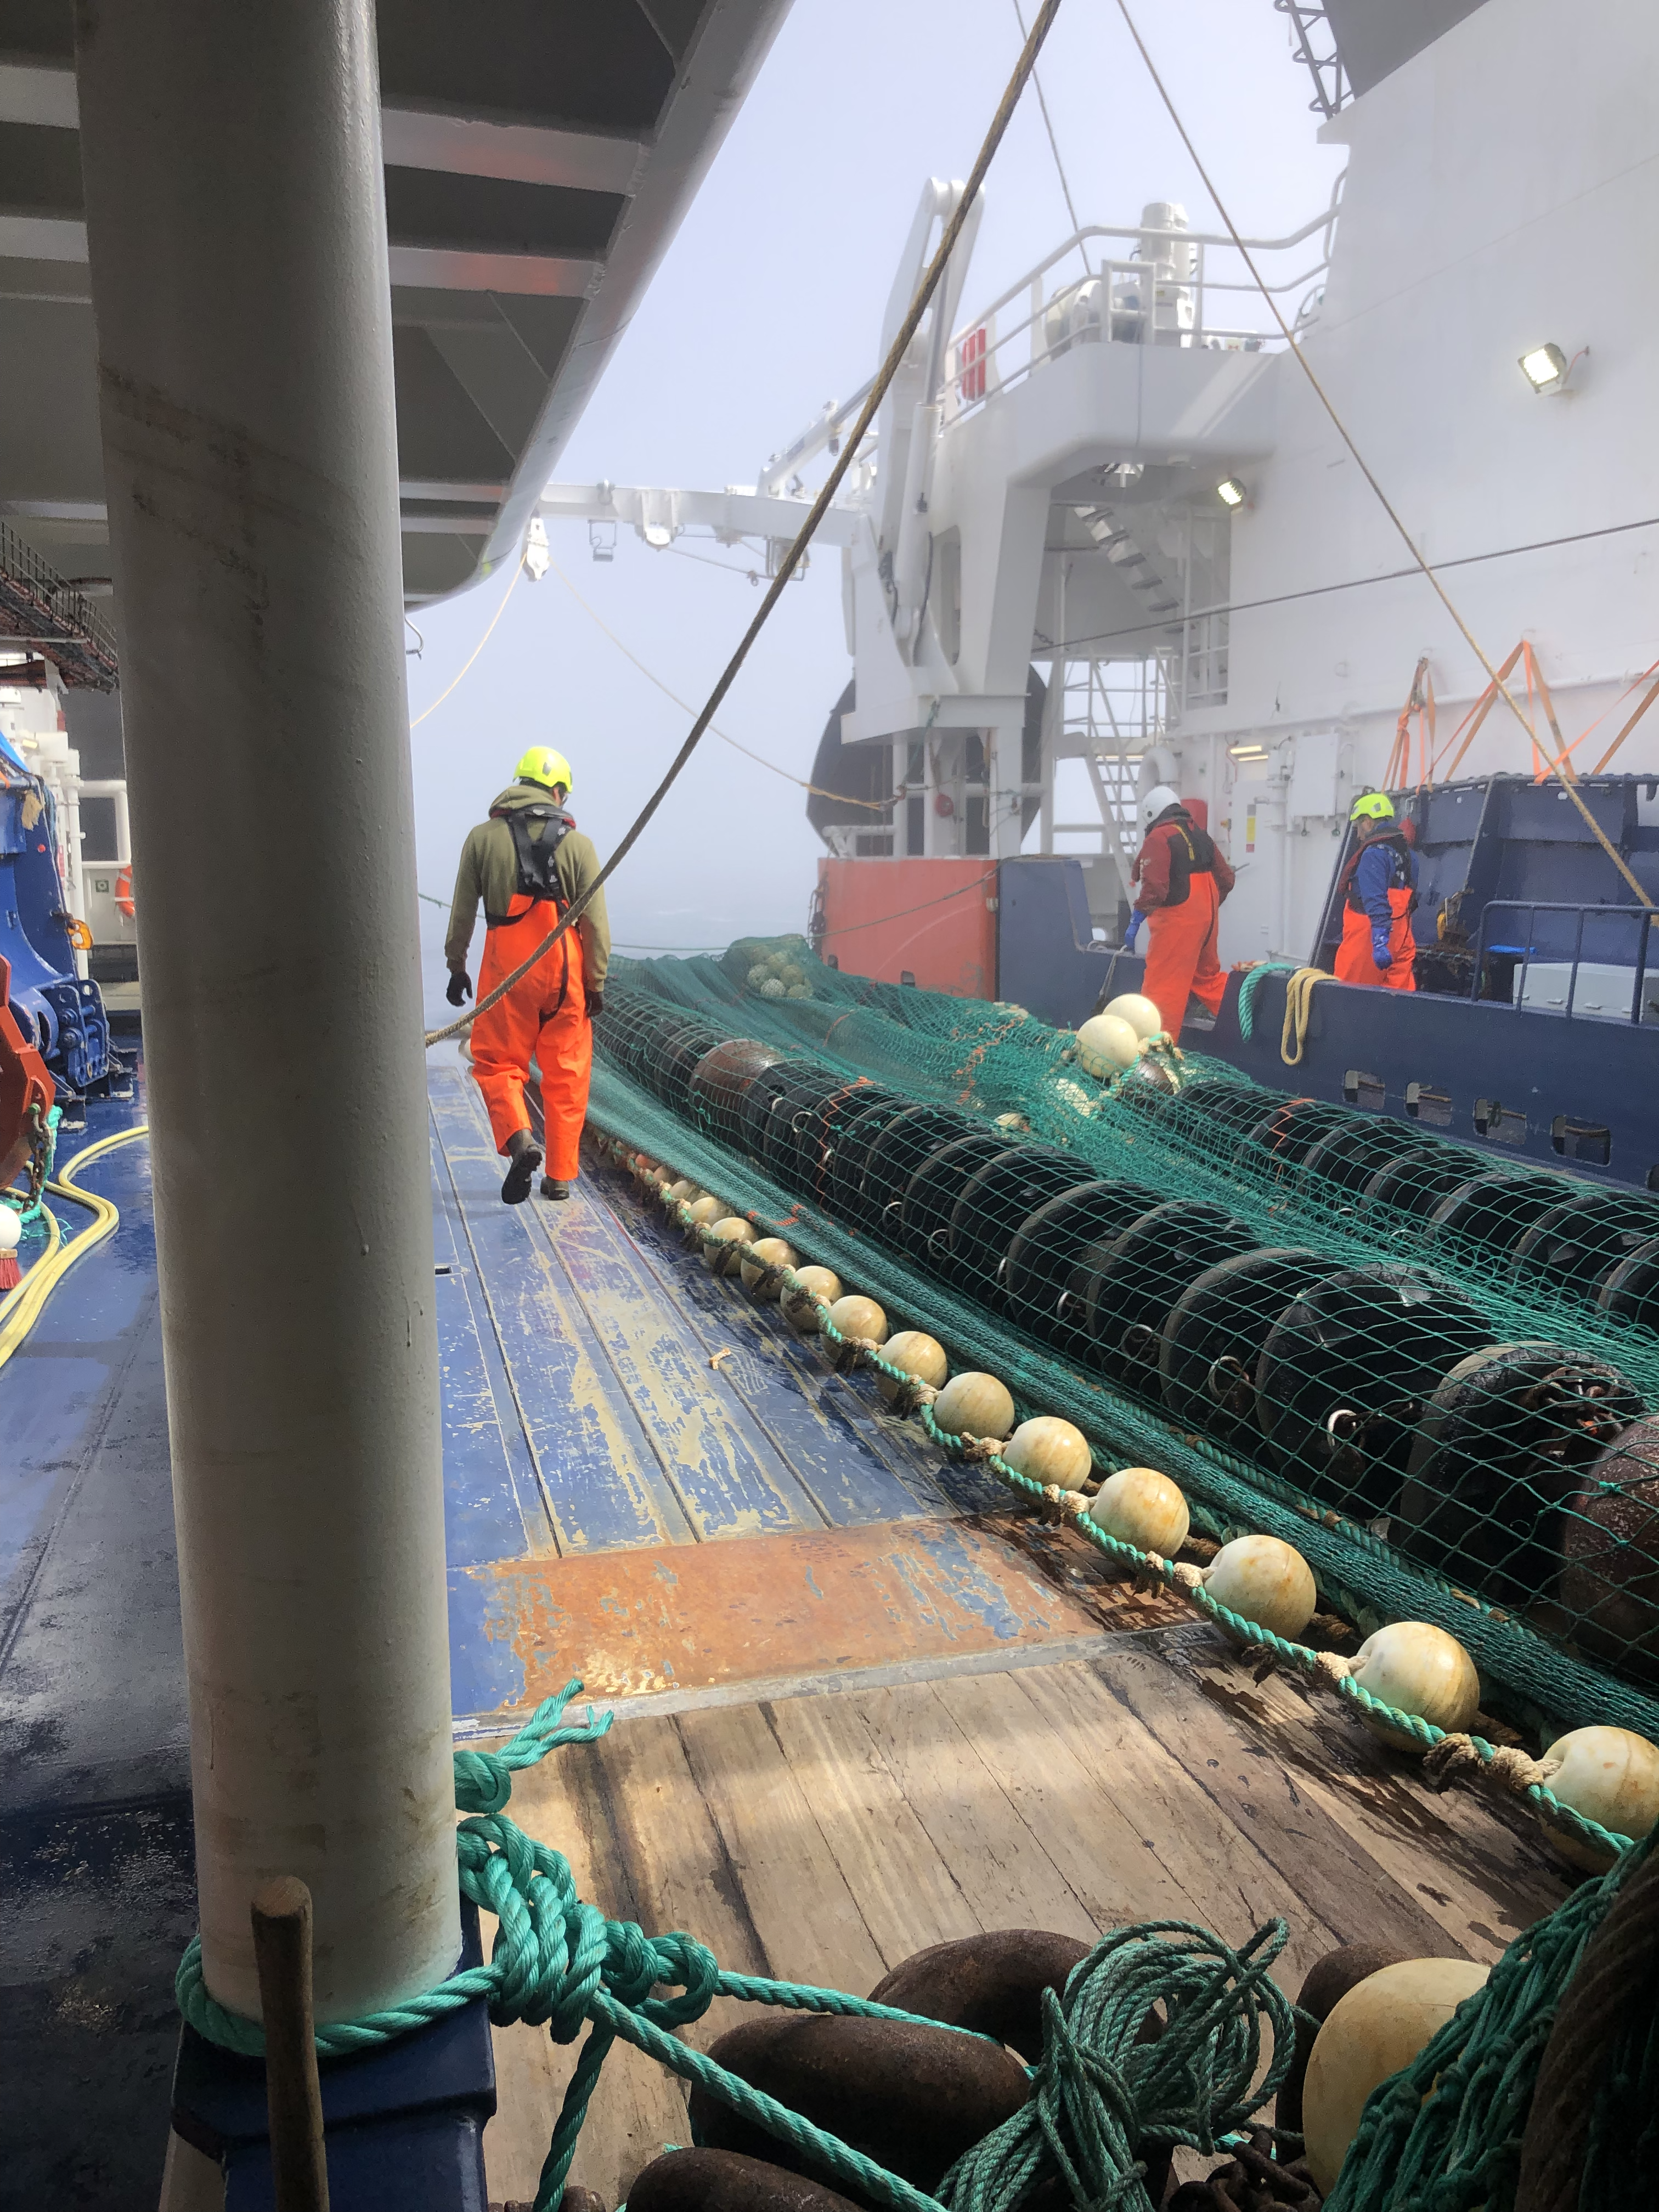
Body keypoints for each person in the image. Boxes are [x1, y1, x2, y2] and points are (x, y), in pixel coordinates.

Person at [445, 748, 610, 1205]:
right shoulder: (579, 845)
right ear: (557, 792)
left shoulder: (482, 838)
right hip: (565, 975)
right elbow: (595, 922)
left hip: (507, 974)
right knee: (567, 1077)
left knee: (499, 1065)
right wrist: (595, 982)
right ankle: (558, 1179)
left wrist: (455, 965)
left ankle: (520, 1138)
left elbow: (462, 912)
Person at [1123, 784, 1235, 1042]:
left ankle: (1157, 1056)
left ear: (1151, 814)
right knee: (1208, 979)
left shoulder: (1159, 838)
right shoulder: (1202, 836)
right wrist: (1205, 912)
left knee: (1162, 990)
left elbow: (1155, 888)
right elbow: (1227, 880)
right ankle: (1248, 1020)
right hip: (1207, 922)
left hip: (1177, 924)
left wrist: (1136, 918)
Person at [1334, 791, 1418, 990]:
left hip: (1370, 939)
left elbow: (1375, 898)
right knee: (1397, 997)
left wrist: (1380, 940)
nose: (1358, 835)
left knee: (1349, 996)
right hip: (1402, 936)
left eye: (1358, 827)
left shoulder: (1373, 854)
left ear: (1368, 822)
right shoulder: (1409, 855)